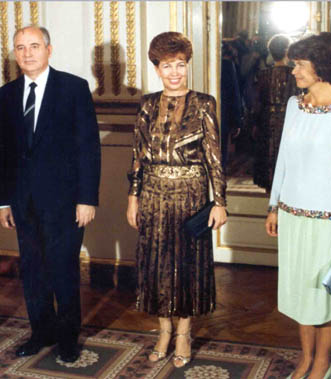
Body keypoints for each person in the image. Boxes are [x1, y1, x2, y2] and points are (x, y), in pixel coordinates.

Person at [0, 26, 101, 363]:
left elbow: (88, 148)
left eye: (34, 46)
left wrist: (87, 198)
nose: (27, 53)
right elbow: (2, 152)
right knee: (34, 271)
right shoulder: (7, 93)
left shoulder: (73, 88)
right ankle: (41, 332)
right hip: (23, 203)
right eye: (20, 47)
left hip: (66, 203)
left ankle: (68, 338)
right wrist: (4, 201)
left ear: (49, 50)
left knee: (63, 269)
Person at [265, 33, 331, 379]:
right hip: (293, 216)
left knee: (326, 293)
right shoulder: (296, 104)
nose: (294, 71)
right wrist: (274, 204)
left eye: (300, 65)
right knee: (301, 293)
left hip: (328, 223)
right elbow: (284, 159)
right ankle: (305, 358)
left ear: (320, 67)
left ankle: (322, 361)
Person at [126, 32, 227, 368]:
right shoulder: (147, 103)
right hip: (153, 195)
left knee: (187, 266)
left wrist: (220, 201)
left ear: (187, 65)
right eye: (167, 65)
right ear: (157, 68)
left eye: (180, 65)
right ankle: (163, 330)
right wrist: (133, 197)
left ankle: (183, 332)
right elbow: (137, 156)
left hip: (191, 196)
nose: (174, 72)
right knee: (155, 264)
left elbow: (214, 157)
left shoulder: (205, 103)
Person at [252, 34, 299, 192]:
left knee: (269, 164)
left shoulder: (263, 75)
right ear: (287, 52)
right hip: (290, 122)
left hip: (267, 122)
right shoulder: (295, 74)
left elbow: (256, 104)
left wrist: (254, 124)